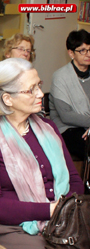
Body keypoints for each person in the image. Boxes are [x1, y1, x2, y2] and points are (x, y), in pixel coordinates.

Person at [0, 58, 85, 249]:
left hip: (65, 223)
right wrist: (52, 210)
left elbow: (75, 180)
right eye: (30, 90)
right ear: (7, 99)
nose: (41, 94)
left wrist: (62, 211)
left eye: (39, 85)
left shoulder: (48, 127)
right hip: (15, 230)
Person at [49, 29, 90, 160]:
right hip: (67, 129)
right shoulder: (60, 77)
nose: (88, 54)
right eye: (82, 50)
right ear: (71, 53)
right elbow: (66, 116)